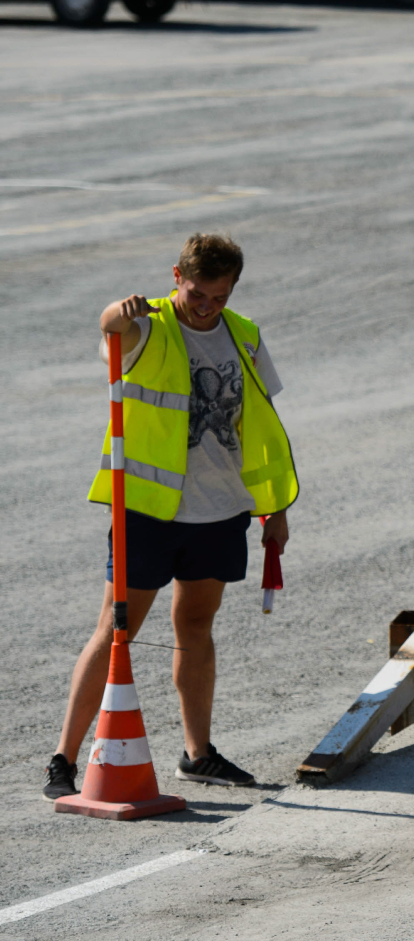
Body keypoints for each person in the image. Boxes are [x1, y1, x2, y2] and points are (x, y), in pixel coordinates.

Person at [44, 233, 298, 800]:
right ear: (176, 276)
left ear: (232, 289)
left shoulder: (246, 335)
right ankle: (62, 759)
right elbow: (111, 328)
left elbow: (260, 425)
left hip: (220, 509)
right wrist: (118, 308)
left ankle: (198, 754)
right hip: (149, 511)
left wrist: (275, 509)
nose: (205, 304)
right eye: (196, 291)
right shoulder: (150, 326)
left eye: (218, 295)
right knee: (116, 630)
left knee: (196, 628)